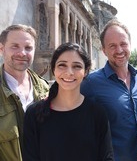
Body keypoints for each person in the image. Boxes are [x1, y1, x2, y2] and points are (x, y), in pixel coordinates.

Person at [23, 42, 114, 161]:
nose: (69, 72)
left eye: (77, 66)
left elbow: (106, 157)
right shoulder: (34, 114)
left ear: (86, 71)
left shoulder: (97, 113)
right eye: (62, 65)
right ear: (54, 69)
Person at [81, 19, 137, 161]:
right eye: (112, 46)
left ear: (130, 45)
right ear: (104, 50)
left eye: (123, 44)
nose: (119, 50)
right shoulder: (91, 83)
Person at [0, 24, 49, 161]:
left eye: (28, 48)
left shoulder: (45, 89)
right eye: (15, 46)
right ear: (1, 49)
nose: (22, 53)